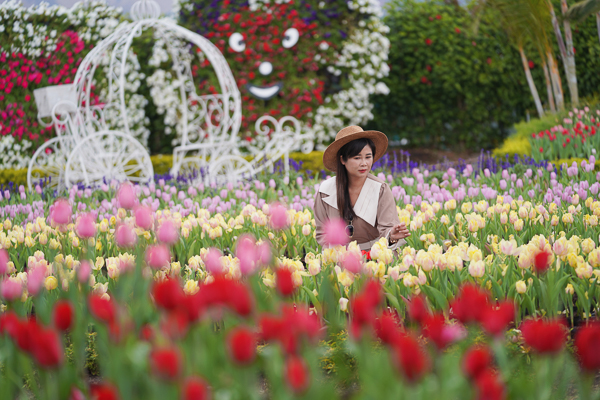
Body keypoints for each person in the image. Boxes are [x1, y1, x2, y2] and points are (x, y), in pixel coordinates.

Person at [314, 125, 410, 251]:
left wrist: (391, 236)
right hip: (337, 258)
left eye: (368, 157)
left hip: (373, 258)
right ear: (343, 159)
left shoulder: (380, 189)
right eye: (357, 158)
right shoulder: (326, 191)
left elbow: (388, 228)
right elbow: (323, 233)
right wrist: (338, 255)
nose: (364, 163)